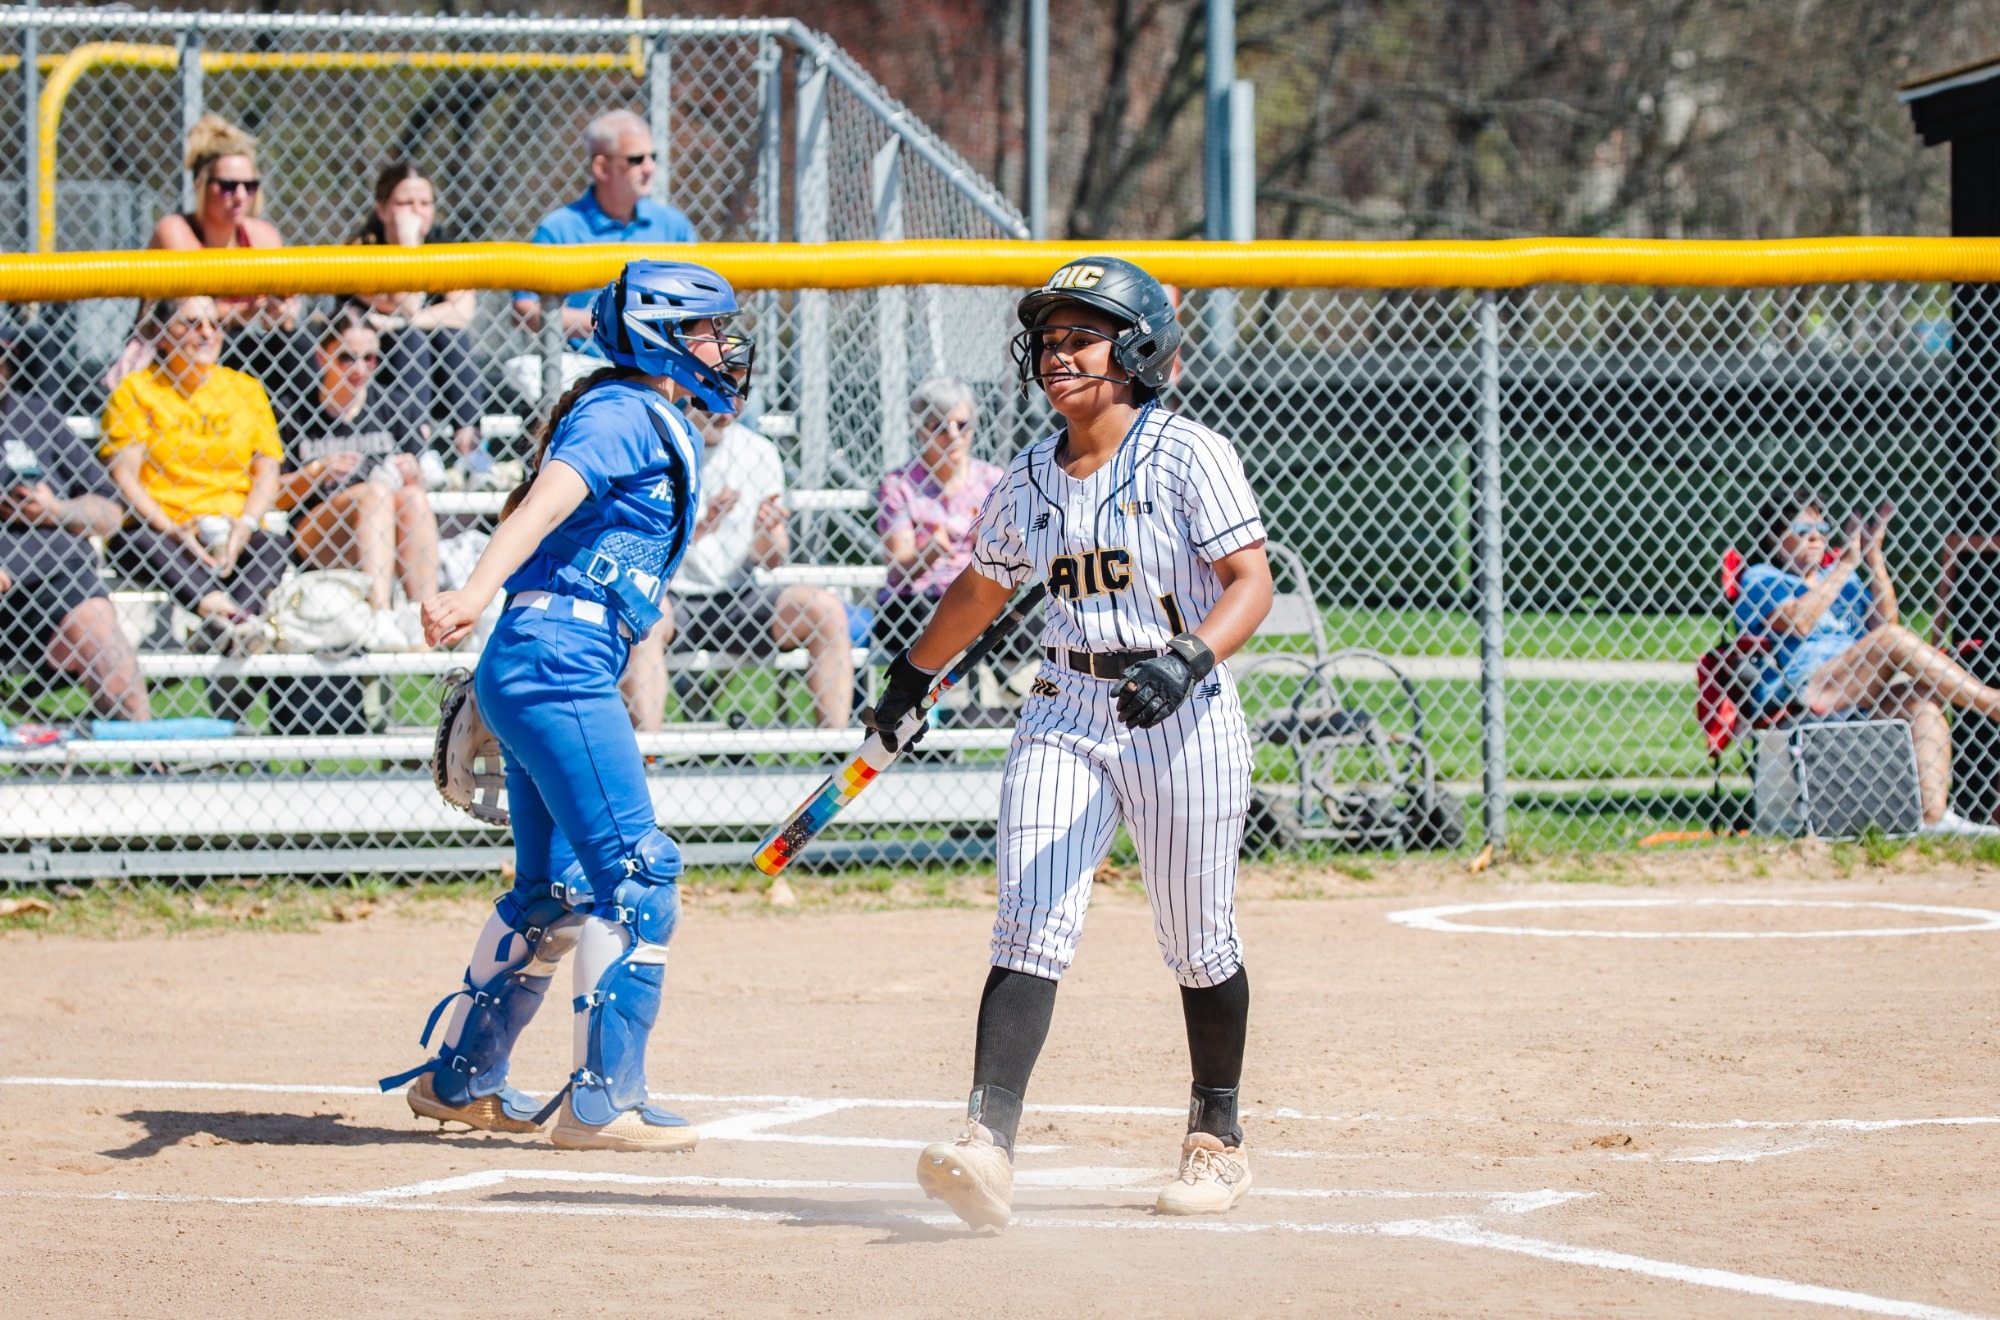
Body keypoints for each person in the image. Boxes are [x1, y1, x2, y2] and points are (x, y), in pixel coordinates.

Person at [869, 257, 1274, 1227]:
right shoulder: (1026, 479)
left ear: (1139, 350)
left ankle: (1216, 1138)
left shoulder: (1187, 454)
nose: (1058, 356)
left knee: (1198, 939)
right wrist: (912, 675)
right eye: (1049, 341)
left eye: (1081, 338)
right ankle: (986, 1143)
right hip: (1064, 708)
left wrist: (1186, 659)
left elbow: (1249, 582)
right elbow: (981, 588)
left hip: (1181, 711)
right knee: (1029, 920)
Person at [379, 260, 752, 1151]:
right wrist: (473, 593)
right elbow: (544, 505)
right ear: (659, 337)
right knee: (639, 876)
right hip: (557, 661)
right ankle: (602, 1103)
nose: (722, 346)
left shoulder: (640, 411)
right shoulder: (623, 411)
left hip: (545, 656)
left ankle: (460, 1081)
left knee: (554, 893)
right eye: (704, 330)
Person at [1736, 490, 2000, 834]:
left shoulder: (1845, 581)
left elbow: (1886, 624)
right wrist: (1845, 565)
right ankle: (1992, 703)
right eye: (1802, 530)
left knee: (1922, 698)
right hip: (1805, 688)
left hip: (1859, 689)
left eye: (1822, 529)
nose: (1815, 538)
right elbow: (1798, 622)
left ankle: (1933, 819)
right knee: (1892, 641)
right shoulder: (1762, 577)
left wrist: (1873, 559)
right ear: (1774, 537)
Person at [101, 296, 291, 656]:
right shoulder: (137, 390)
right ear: (162, 334)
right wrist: (173, 528)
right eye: (191, 323)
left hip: (230, 530)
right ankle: (233, 621)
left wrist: (245, 526)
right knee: (144, 543)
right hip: (162, 529)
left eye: (214, 324)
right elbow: (124, 476)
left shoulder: (245, 389)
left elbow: (268, 472)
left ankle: (224, 627)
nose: (206, 333)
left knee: (273, 545)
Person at [646, 406, 854, 730]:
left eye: (737, 397)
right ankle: (646, 751)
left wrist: (765, 532)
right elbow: (648, 551)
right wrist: (703, 527)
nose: (727, 411)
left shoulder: (759, 451)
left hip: (740, 596)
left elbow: (771, 559)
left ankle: (837, 749)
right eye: (716, 397)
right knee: (641, 616)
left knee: (825, 611)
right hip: (672, 594)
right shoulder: (662, 446)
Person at [0, 328, 151, 722]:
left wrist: (55, 510)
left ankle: (141, 753)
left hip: (55, 579)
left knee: (106, 646)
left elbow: (110, 512)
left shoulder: (36, 417)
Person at [279, 311, 439, 643]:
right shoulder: (295, 411)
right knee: (374, 494)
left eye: (369, 358)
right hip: (317, 534)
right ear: (323, 357)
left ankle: (423, 618)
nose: (359, 368)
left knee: (412, 497)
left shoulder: (394, 406)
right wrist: (317, 472)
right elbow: (276, 497)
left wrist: (413, 475)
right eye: (346, 358)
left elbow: (417, 484)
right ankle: (379, 615)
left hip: (385, 533)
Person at [512, 110, 697, 348]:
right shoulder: (559, 228)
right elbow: (525, 309)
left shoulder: (673, 225)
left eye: (652, 157)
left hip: (662, 359)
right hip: (582, 362)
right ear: (602, 168)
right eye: (636, 159)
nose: (650, 167)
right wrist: (610, 323)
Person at [346, 162, 483, 461]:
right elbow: (406, 304)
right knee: (410, 338)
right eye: (405, 203)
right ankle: (418, 451)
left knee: (451, 336)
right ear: (382, 209)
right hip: (379, 361)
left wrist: (407, 321)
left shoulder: (442, 245)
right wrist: (408, 241)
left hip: (437, 364)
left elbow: (462, 311)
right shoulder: (363, 249)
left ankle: (472, 454)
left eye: (425, 203)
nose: (416, 212)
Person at [145, 115, 298, 383]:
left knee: (293, 345)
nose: (240, 196)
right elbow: (194, 316)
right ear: (200, 184)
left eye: (249, 186)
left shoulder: (263, 235)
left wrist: (281, 312)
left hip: (248, 347)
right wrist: (249, 310)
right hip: (180, 355)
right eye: (228, 186)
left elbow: (280, 310)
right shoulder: (176, 231)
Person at [874, 377, 1007, 652]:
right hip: (916, 597)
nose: (954, 435)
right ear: (921, 431)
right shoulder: (899, 484)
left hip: (976, 592)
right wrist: (932, 550)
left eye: (962, 425)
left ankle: (1006, 679)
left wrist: (987, 541)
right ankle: (957, 679)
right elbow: (898, 572)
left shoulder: (992, 479)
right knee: (932, 616)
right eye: (939, 427)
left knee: (1022, 627)